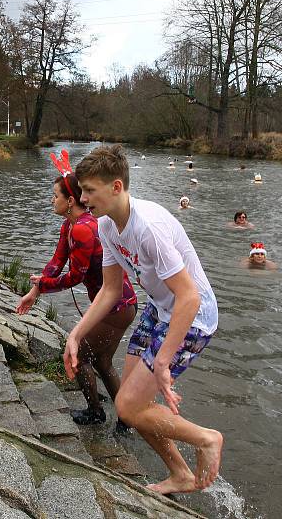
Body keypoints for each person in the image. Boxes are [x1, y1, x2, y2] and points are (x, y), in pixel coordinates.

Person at [66, 145, 222, 494]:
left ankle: (206, 439)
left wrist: (164, 360)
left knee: (127, 405)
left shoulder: (147, 227)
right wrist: (75, 335)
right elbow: (109, 290)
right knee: (133, 406)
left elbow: (190, 297)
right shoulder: (106, 226)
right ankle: (180, 473)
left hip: (193, 316)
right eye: (81, 190)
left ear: (116, 187)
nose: (83, 197)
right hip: (160, 308)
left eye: (89, 190)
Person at [17, 155, 137, 425]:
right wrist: (35, 292)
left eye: (55, 196)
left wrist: (43, 285)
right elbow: (56, 262)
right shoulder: (69, 225)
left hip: (117, 307)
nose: (52, 200)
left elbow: (74, 276)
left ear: (70, 201)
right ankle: (127, 419)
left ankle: (96, 412)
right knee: (103, 362)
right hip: (116, 304)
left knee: (80, 355)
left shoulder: (84, 230)